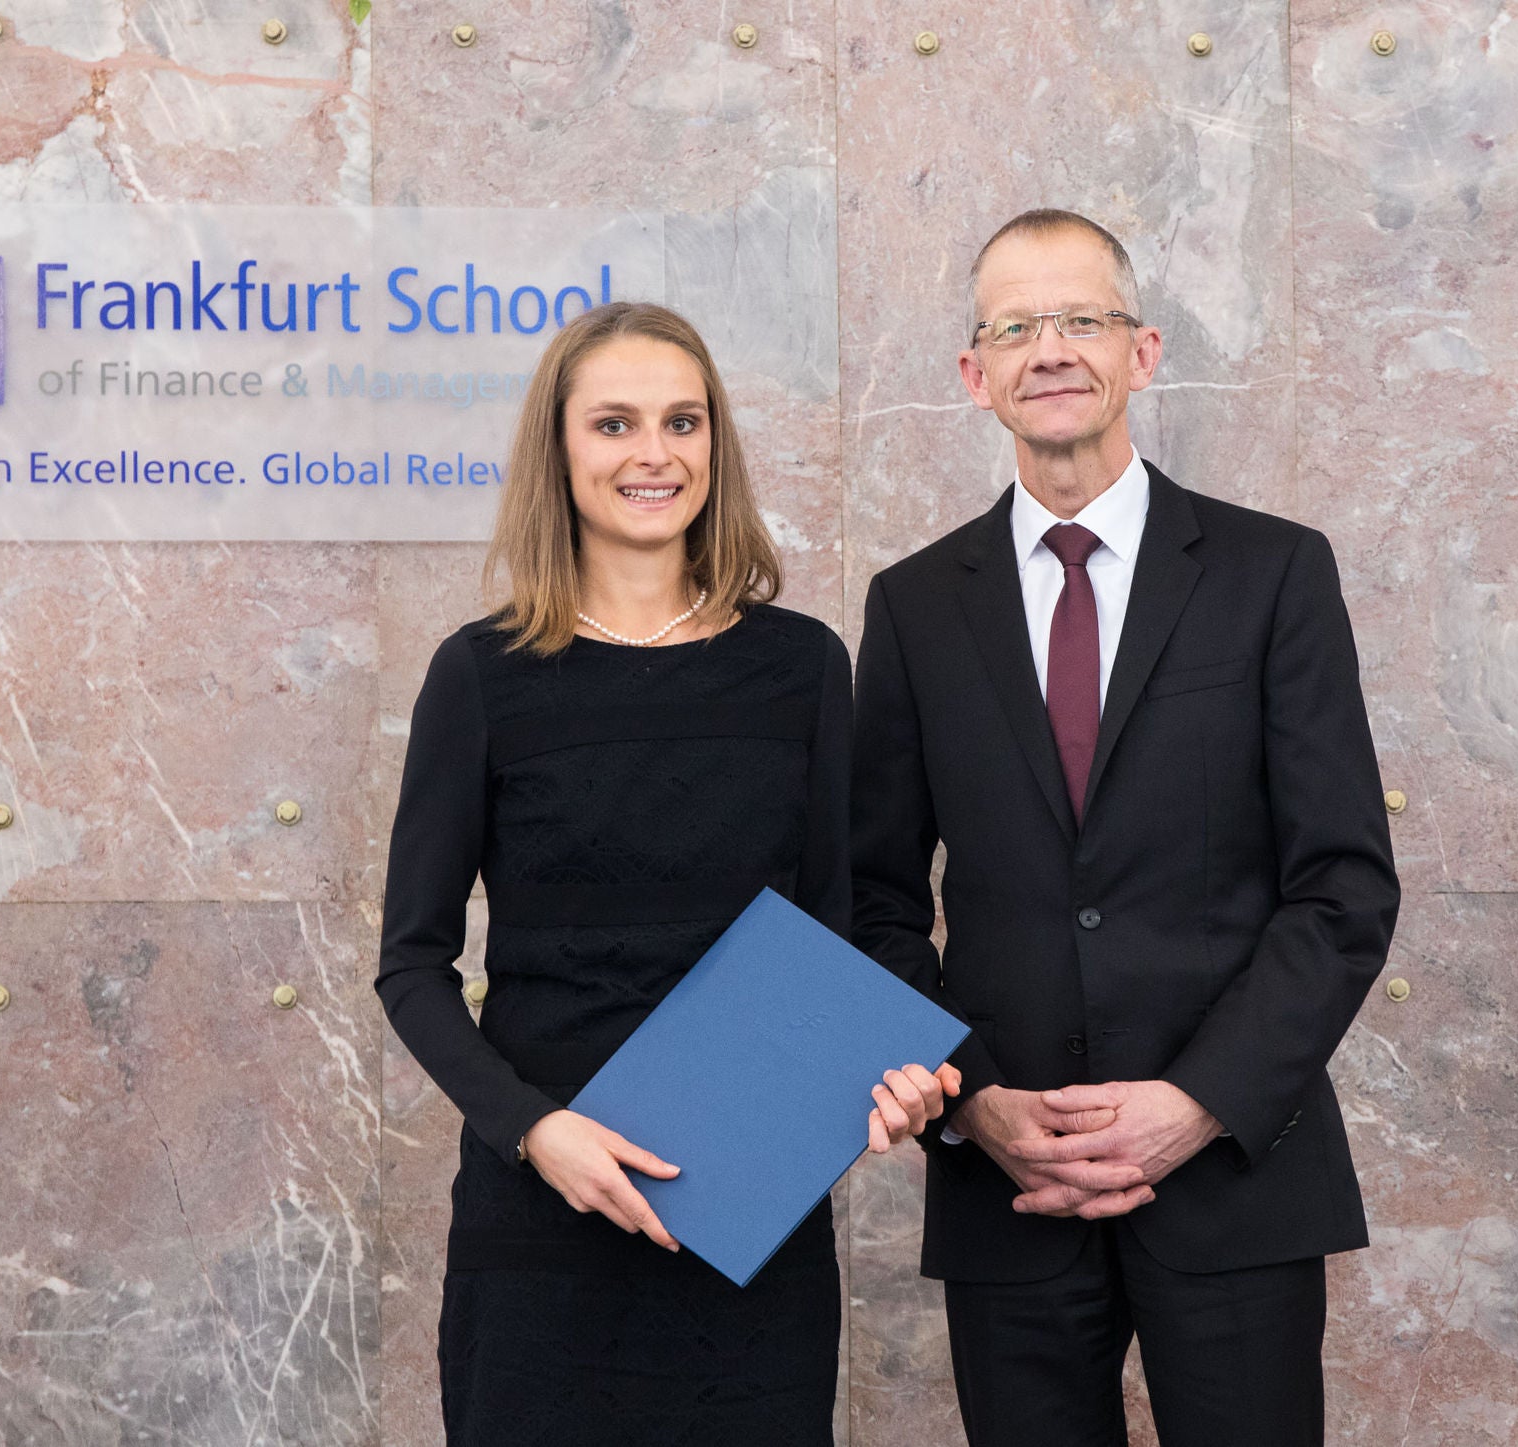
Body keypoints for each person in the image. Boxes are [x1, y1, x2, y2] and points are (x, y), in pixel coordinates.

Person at [850, 209, 1402, 1446]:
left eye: (1081, 319)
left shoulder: (1272, 574)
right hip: (1010, 1189)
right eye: (1015, 327)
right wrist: (972, 1101)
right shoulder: (914, 608)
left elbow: (1341, 889)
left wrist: (1196, 1101)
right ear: (974, 372)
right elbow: (869, 896)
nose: (1049, 349)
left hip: (1234, 1179)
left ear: (1140, 353)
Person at [376, 300, 956, 1447]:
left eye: (682, 422)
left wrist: (894, 1076)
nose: (654, 453)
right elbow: (411, 965)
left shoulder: (802, 666)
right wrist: (535, 1130)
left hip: (748, 1229)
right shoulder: (480, 674)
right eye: (614, 424)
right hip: (538, 1227)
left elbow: (833, 947)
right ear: (558, 450)